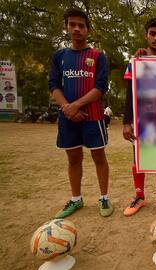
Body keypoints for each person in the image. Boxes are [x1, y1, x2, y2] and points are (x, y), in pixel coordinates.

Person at [48, 8, 113, 218]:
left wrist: (75, 105)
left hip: (93, 116)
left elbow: (101, 87)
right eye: (72, 24)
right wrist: (67, 108)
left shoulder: (98, 56)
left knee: (99, 157)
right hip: (68, 117)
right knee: (73, 158)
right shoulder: (59, 56)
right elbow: (54, 85)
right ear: (66, 27)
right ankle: (76, 199)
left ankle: (104, 198)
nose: (76, 29)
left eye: (81, 25)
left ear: (88, 30)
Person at [122, 18, 156, 217]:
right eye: (152, 33)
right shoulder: (135, 62)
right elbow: (129, 94)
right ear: (146, 36)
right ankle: (140, 196)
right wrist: (127, 122)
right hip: (141, 120)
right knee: (138, 158)